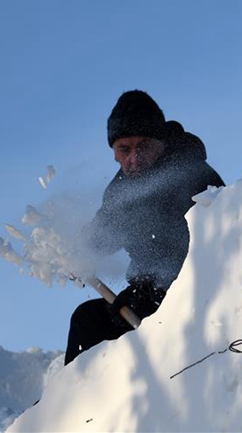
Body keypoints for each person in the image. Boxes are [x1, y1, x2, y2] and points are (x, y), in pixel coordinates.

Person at [64, 90, 224, 365]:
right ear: (114, 153)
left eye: (143, 147)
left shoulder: (194, 175)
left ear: (160, 143)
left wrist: (160, 290)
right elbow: (101, 234)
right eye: (124, 150)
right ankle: (73, 401)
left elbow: (223, 243)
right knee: (87, 321)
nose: (134, 158)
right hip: (142, 299)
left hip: (194, 298)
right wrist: (76, 254)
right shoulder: (120, 191)